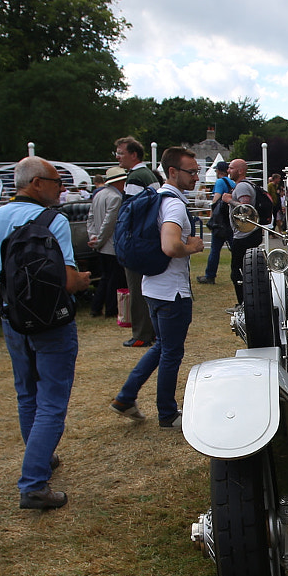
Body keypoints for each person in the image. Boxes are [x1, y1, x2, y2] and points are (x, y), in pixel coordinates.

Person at [0, 157, 91, 510]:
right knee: (52, 402)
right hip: (52, 323)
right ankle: (34, 482)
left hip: (13, 321)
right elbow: (67, 280)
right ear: (36, 183)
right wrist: (83, 281)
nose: (61, 188)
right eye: (56, 182)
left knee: (27, 395)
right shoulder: (55, 221)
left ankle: (41, 457)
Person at [112, 147, 204, 427]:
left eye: (198, 171)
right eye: (191, 172)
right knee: (171, 353)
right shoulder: (174, 204)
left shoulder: (157, 199)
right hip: (172, 292)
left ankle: (126, 397)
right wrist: (193, 246)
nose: (196, 177)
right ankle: (167, 414)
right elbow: (170, 245)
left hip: (152, 287)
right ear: (173, 172)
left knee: (162, 346)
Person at [115, 136, 157, 347]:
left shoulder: (135, 178)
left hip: (137, 241)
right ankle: (151, 330)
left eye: (121, 153)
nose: (117, 157)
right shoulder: (147, 174)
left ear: (133, 154)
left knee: (136, 288)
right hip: (147, 240)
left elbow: (129, 213)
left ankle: (141, 334)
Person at [229, 159, 273, 304]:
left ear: (240, 170)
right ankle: (247, 302)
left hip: (245, 235)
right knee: (246, 270)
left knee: (239, 272)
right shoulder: (248, 185)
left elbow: (246, 209)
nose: (228, 171)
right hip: (249, 234)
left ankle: (244, 303)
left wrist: (229, 200)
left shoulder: (242, 187)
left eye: (231, 168)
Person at [87, 166, 126, 317]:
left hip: (101, 243)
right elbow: (109, 223)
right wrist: (100, 239)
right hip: (110, 245)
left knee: (105, 277)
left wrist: (93, 236)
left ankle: (96, 307)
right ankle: (111, 309)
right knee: (113, 279)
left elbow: (91, 217)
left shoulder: (99, 194)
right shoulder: (116, 198)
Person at [198, 159, 233, 285]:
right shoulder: (232, 183)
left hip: (220, 222)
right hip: (229, 220)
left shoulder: (219, 182)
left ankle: (210, 275)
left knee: (215, 249)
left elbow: (216, 200)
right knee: (235, 248)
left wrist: (212, 218)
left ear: (218, 171)